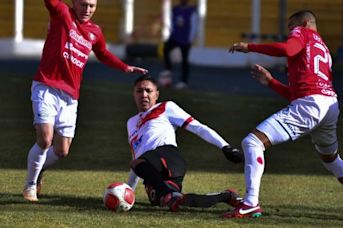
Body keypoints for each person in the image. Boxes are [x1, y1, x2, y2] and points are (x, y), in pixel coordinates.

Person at [224, 10, 343, 219]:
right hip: (329, 105)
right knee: (331, 159)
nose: (290, 32)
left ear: (305, 23)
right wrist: (271, 82)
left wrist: (249, 47)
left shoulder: (302, 33)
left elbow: (289, 49)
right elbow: (301, 93)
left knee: (252, 142)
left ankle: (251, 202)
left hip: (312, 105)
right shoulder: (323, 49)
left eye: (292, 27)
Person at [23, 0, 148, 202]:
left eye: (92, 6)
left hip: (71, 96)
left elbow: (103, 53)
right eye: (83, 5)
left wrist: (125, 67)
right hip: (46, 86)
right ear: (74, 3)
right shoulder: (62, 13)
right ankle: (30, 185)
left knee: (62, 151)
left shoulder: (95, 31)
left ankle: (39, 169)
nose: (87, 10)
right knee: (45, 140)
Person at [126, 75, 244, 211]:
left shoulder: (165, 107)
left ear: (157, 94)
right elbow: (136, 160)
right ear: (133, 95)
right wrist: (129, 192)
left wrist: (225, 147)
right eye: (139, 91)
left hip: (168, 156)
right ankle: (226, 197)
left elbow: (198, 127)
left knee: (142, 167)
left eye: (148, 90)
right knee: (172, 202)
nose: (144, 95)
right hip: (151, 169)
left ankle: (168, 194)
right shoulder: (131, 123)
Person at [160, 0, 198, 89]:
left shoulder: (191, 11)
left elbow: (194, 25)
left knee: (184, 60)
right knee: (166, 48)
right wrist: (171, 33)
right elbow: (172, 22)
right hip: (176, 37)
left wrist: (190, 39)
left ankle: (184, 81)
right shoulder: (175, 9)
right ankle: (168, 69)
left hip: (185, 39)